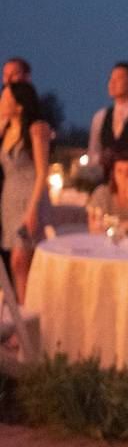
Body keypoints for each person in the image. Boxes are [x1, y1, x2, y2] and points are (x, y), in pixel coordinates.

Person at [0, 82, 52, 304]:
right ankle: (21, 316)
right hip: (10, 197)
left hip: (29, 196)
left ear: (19, 106)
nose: (1, 102)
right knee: (15, 260)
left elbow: (42, 172)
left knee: (20, 261)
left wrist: (32, 210)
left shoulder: (35, 129)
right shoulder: (5, 129)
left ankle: (25, 318)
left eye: (5, 98)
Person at [87, 61, 128, 171]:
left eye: (119, 79)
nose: (112, 83)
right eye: (111, 78)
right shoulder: (101, 116)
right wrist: (100, 158)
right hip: (106, 181)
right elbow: (92, 153)